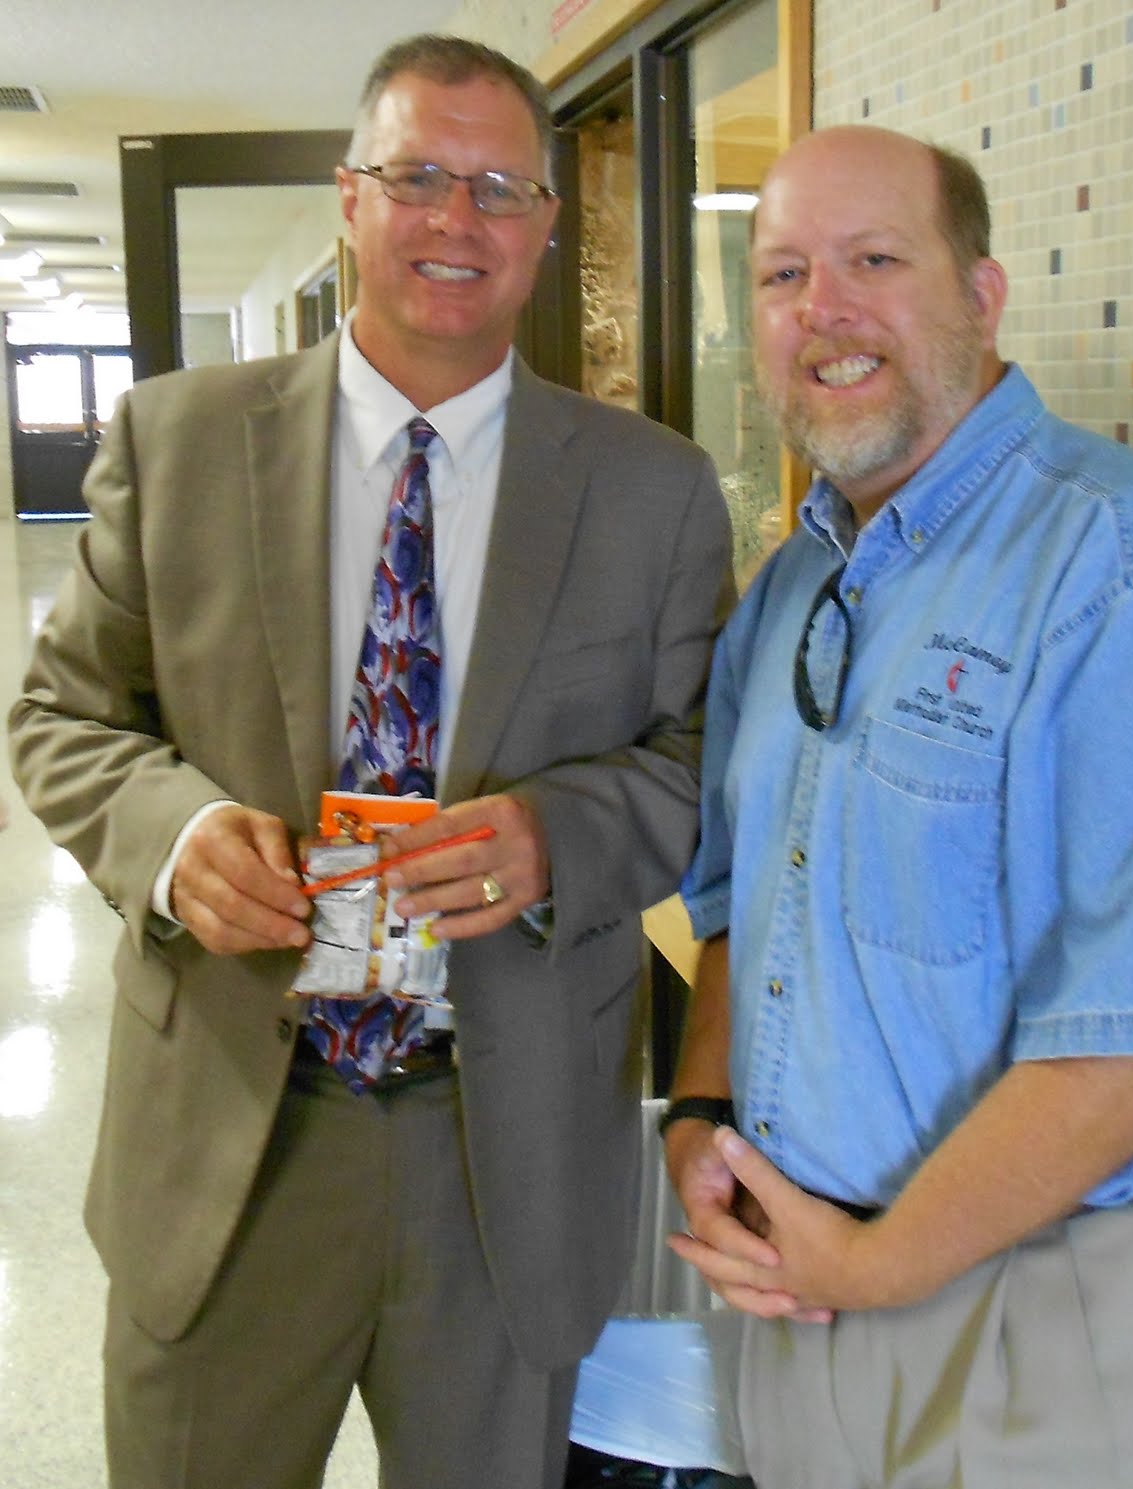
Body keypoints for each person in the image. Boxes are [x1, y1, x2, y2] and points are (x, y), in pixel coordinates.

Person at [9, 34, 731, 1489]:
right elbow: (61, 715)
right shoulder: (179, 442)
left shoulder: (651, 490)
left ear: (542, 226)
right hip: (234, 1123)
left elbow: (704, 761)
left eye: (496, 187)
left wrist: (554, 835)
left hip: (505, 1141)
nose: (452, 220)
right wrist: (174, 830)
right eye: (415, 176)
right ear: (349, 200)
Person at [660, 125, 1133, 1489]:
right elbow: (744, 897)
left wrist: (879, 1257)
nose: (824, 309)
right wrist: (700, 1116)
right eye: (785, 272)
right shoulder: (795, 585)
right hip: (811, 1292)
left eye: (874, 259)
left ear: (982, 293)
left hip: (1062, 1314)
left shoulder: (1132, 567)